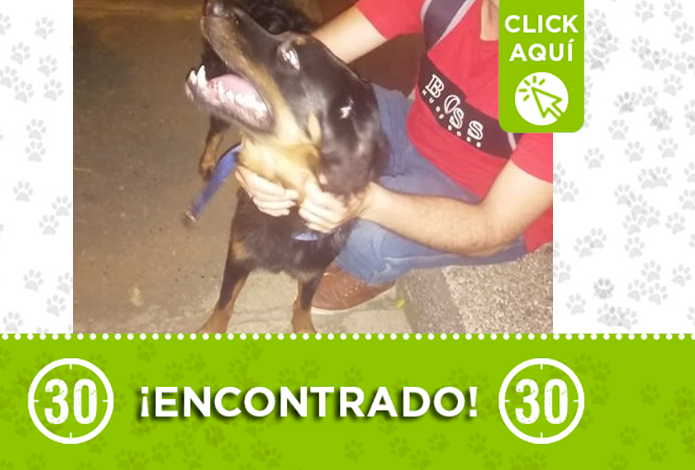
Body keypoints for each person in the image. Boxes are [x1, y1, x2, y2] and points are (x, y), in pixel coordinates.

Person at [235, 0, 553, 314]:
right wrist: (259, 140)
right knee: (328, 106)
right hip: (414, 128)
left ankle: (372, 270)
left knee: (361, 235)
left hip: (487, 197)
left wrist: (368, 202)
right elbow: (296, 66)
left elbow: (492, 228)